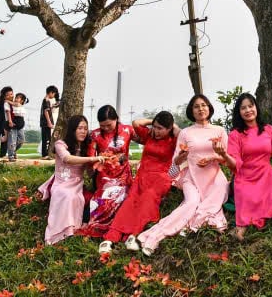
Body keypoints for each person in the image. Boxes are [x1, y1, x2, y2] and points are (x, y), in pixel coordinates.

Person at [133, 94, 229, 257]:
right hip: (191, 176)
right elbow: (174, 167)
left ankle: (192, 223)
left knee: (221, 188)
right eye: (196, 106)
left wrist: (214, 157)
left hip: (214, 176)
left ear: (209, 108)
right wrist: (180, 158)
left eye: (204, 105)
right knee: (191, 202)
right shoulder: (186, 133)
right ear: (192, 111)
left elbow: (226, 159)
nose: (201, 109)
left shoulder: (219, 131)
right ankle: (154, 236)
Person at [100, 111, 180, 254]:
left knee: (148, 198)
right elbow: (136, 123)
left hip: (160, 178)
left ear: (169, 129)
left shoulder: (173, 140)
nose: (156, 131)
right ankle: (112, 237)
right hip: (142, 176)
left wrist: (173, 125)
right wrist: (153, 121)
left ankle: (134, 234)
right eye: (155, 127)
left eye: (160, 128)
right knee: (131, 201)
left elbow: (181, 134)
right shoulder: (148, 135)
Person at [224, 93, 272, 240]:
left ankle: (259, 217)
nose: (248, 110)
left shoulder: (268, 129)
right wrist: (224, 155)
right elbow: (235, 162)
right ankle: (241, 228)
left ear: (256, 107)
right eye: (243, 108)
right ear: (239, 112)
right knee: (246, 198)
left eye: (250, 106)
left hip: (265, 175)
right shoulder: (235, 135)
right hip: (244, 176)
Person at [37, 114, 109, 244]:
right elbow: (67, 159)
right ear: (72, 129)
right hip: (62, 183)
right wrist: (92, 159)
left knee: (90, 199)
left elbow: (89, 172)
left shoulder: (87, 148)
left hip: (77, 184)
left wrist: (97, 166)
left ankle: (81, 227)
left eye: (85, 129)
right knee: (68, 196)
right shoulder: (61, 144)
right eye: (80, 128)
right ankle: (63, 232)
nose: (83, 131)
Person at [81, 105, 135, 239]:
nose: (105, 128)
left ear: (116, 119)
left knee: (123, 198)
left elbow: (148, 139)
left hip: (123, 175)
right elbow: (91, 157)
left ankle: (117, 227)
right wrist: (93, 169)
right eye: (102, 125)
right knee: (103, 199)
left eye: (109, 125)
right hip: (104, 175)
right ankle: (96, 225)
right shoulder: (95, 134)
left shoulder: (128, 130)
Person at [6, 92, 29, 162]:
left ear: (22, 100)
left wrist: (8, 101)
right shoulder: (13, 104)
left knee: (22, 140)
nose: (16, 99)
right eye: (16, 97)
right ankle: (11, 155)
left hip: (20, 124)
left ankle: (13, 151)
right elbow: (13, 104)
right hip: (14, 124)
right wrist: (7, 101)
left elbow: (16, 104)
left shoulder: (19, 105)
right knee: (12, 141)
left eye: (18, 98)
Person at [41, 86, 59, 158]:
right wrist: (49, 122)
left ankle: (46, 154)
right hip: (46, 123)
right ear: (51, 92)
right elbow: (46, 112)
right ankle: (45, 154)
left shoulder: (46, 100)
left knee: (47, 138)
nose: (54, 95)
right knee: (46, 139)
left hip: (45, 122)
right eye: (54, 93)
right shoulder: (46, 100)